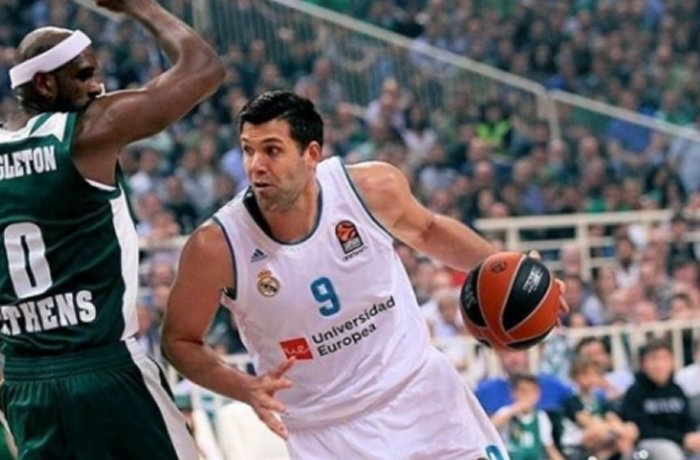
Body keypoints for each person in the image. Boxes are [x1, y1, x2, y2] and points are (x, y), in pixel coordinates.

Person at [162, 91, 568, 459]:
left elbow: (429, 230)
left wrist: (520, 276)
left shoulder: (370, 188)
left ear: (311, 154)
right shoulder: (216, 247)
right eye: (249, 150)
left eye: (272, 150)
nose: (256, 166)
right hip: (327, 431)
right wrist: (243, 387)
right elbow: (179, 340)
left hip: (420, 391)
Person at [0, 0, 224, 458]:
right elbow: (203, 68)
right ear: (46, 84)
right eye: (84, 75)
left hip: (28, 384)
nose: (97, 85)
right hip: (106, 367)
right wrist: (137, 6)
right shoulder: (88, 132)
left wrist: (35, 309)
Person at [620, 339, 700, 460]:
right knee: (669, 451)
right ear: (643, 363)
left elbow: (687, 422)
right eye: (653, 359)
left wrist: (691, 437)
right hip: (648, 445)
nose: (659, 365)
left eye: (664, 359)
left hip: (680, 441)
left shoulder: (677, 390)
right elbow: (642, 429)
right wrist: (682, 438)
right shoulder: (635, 392)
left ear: (672, 362)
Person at [559, 357, 638, 460]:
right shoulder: (573, 400)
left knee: (631, 428)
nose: (590, 379)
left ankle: (610, 456)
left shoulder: (599, 399)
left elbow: (611, 416)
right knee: (599, 429)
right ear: (575, 377)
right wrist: (615, 429)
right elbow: (586, 421)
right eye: (585, 375)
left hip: (604, 433)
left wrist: (622, 429)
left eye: (594, 374)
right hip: (577, 438)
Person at [489, 373, 565, 460]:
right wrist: (515, 409)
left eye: (531, 392)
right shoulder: (506, 412)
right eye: (523, 391)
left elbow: (550, 448)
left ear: (538, 394)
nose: (527, 396)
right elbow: (490, 427)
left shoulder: (541, 417)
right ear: (514, 393)